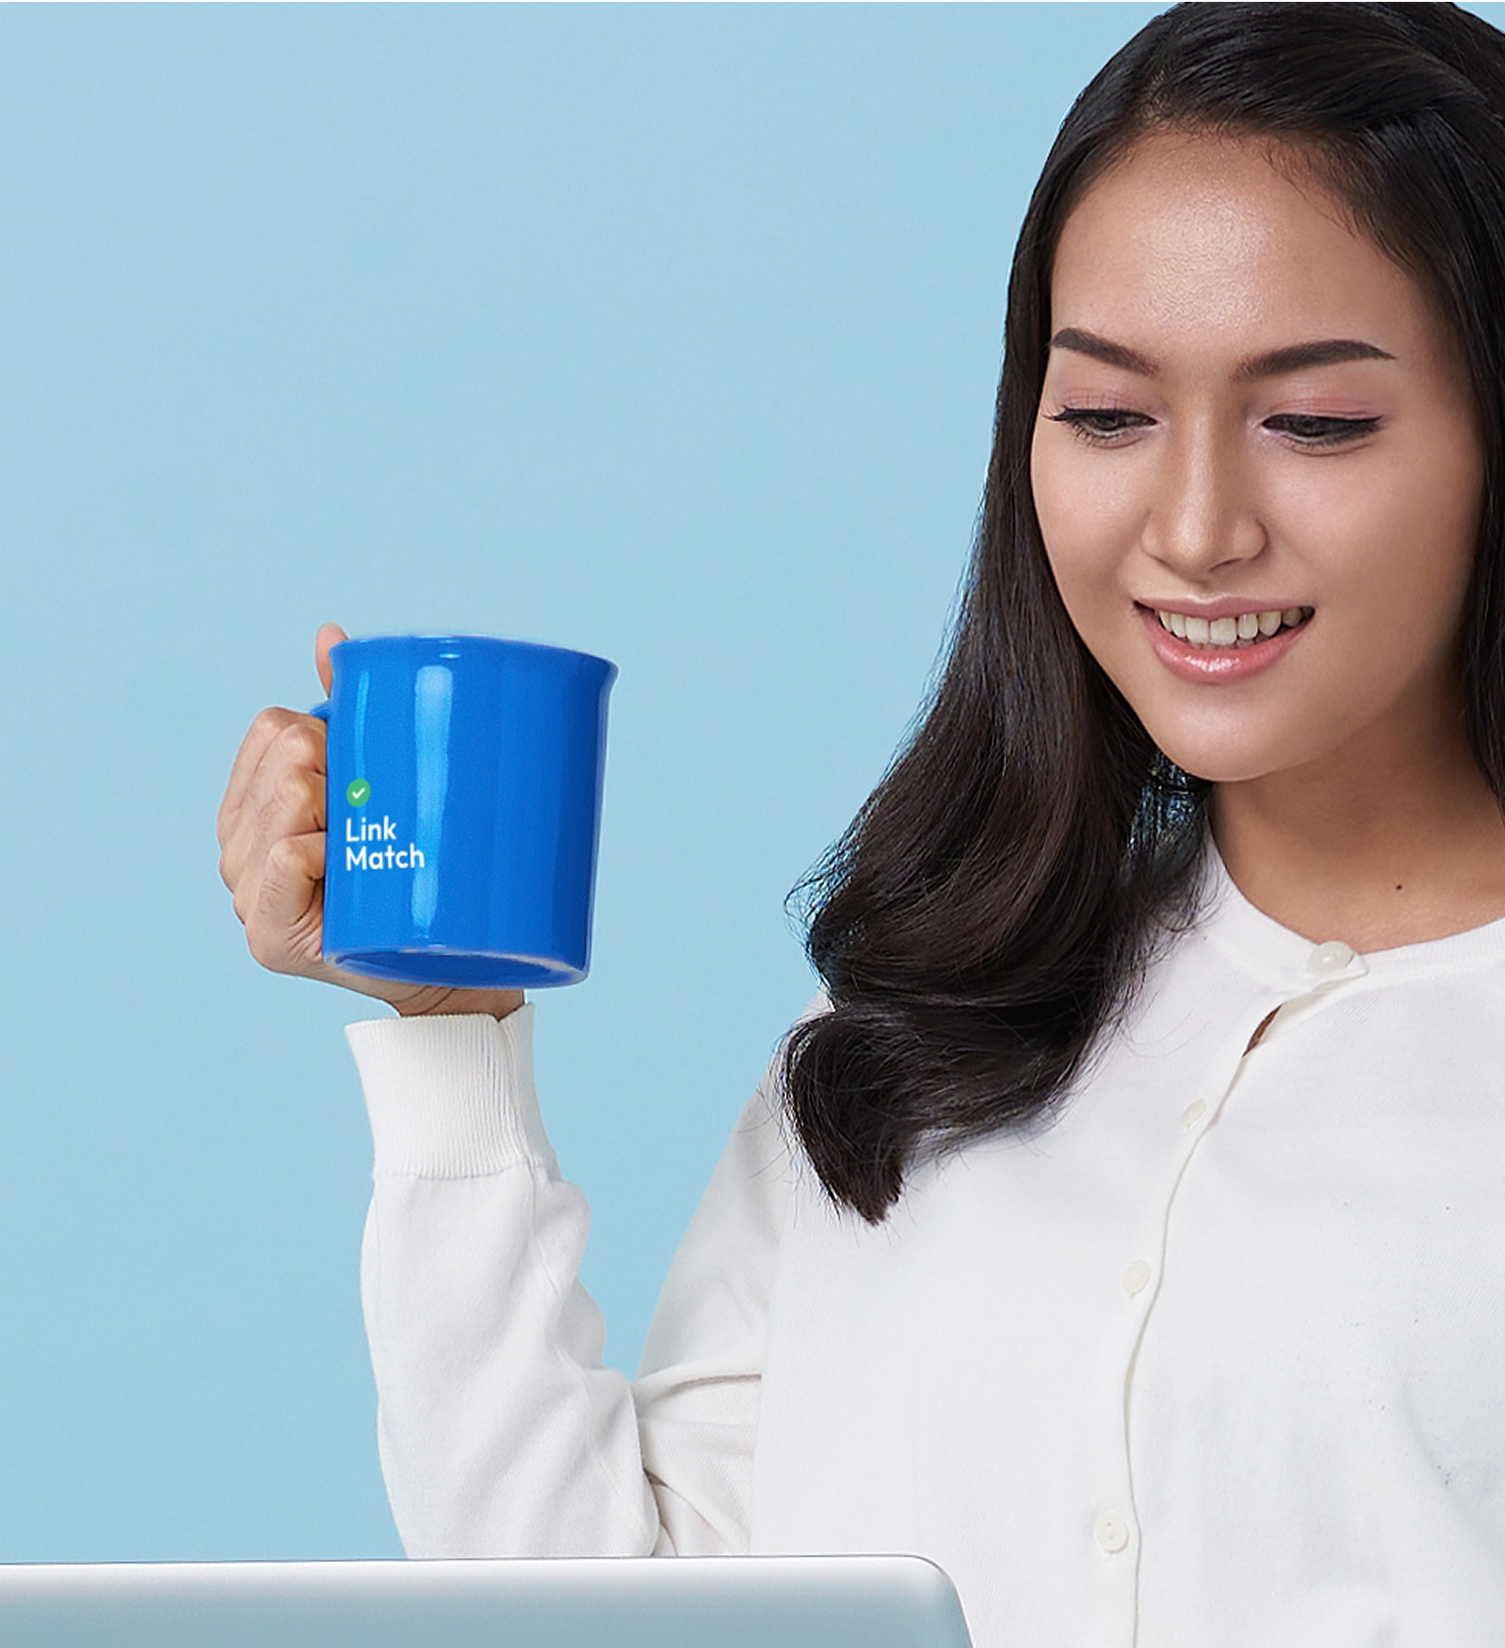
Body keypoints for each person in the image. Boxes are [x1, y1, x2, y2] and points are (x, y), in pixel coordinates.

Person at [216, 4, 1505, 1643]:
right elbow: (615, 1604)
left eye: (1314, 422)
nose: (1193, 527)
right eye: (1106, 414)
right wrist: (446, 1029)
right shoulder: (924, 1022)